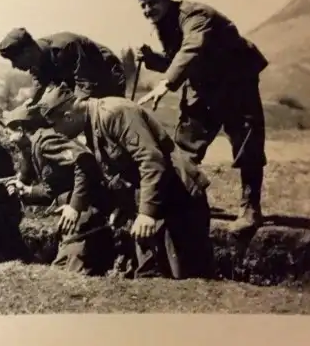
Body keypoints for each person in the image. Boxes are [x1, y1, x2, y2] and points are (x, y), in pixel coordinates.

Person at [35, 83, 216, 280]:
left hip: (178, 202)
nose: (58, 133)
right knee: (151, 277)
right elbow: (120, 172)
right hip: (157, 205)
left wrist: (147, 213)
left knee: (185, 277)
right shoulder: (91, 124)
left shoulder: (114, 113)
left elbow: (152, 161)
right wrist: (122, 208)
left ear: (68, 116)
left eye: (55, 126)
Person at [133, 0, 269, 234]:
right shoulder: (164, 24)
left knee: (246, 143)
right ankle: (181, 204)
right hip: (203, 88)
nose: (148, 11)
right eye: (143, 6)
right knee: (183, 146)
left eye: (153, 3)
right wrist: (153, 59)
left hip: (236, 82)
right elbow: (178, 60)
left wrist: (166, 82)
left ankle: (250, 209)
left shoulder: (196, 15)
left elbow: (193, 49)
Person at [0, 103, 123, 276]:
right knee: (60, 272)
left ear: (20, 129)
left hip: (86, 213)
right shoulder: (36, 147)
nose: (9, 139)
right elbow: (52, 189)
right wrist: (27, 191)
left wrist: (75, 206)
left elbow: (84, 161)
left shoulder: (46, 141)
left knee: (71, 274)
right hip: (76, 218)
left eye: (9, 133)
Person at [0, 28, 129, 106]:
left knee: (108, 119)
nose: (14, 66)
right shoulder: (37, 59)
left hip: (106, 75)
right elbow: (38, 86)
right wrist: (30, 106)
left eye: (14, 60)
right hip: (82, 83)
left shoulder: (66, 47)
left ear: (27, 52)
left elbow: (86, 86)